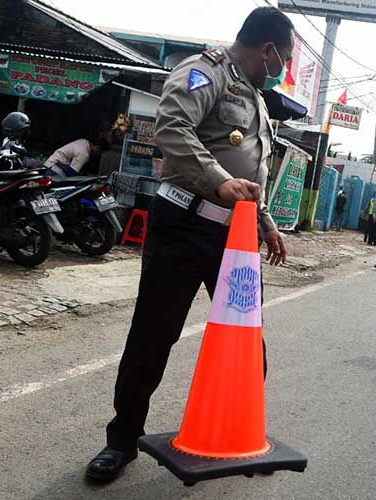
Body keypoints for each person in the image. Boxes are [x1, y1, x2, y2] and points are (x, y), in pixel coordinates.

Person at [85, 6, 294, 483]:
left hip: (236, 236)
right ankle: (121, 441)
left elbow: (250, 173)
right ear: (267, 50)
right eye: (282, 57)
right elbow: (172, 128)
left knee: (245, 339)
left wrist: (266, 222)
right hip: (183, 223)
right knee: (154, 335)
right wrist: (218, 181)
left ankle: (241, 433)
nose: (281, 67)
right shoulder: (206, 71)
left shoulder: (258, 100)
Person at [45, 137, 110, 177]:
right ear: (97, 147)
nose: (98, 154)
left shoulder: (84, 141)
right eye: (100, 152)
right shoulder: (84, 153)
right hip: (55, 169)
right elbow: (72, 173)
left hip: (51, 163)